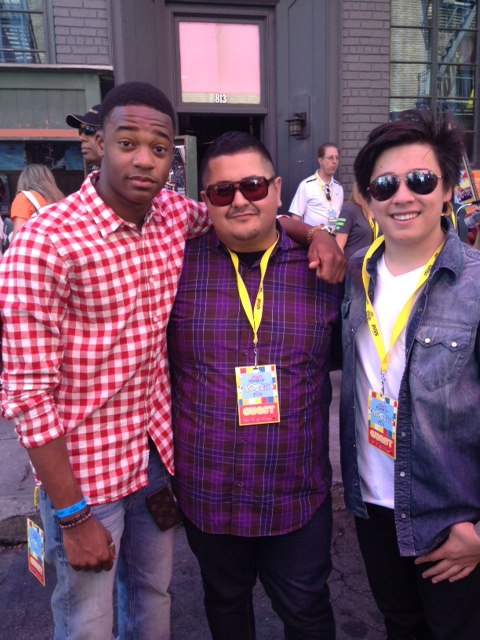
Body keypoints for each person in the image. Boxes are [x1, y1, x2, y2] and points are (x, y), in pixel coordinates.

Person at [0, 82, 345, 640]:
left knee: (152, 601)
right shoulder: (44, 242)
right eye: (126, 142)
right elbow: (25, 396)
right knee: (88, 620)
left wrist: (316, 234)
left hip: (156, 463)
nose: (143, 157)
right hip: (87, 478)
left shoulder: (171, 218)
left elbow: (251, 216)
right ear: (98, 144)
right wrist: (72, 516)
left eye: (158, 148)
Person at [168, 131, 341, 640]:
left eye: (252, 185)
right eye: (223, 191)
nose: (240, 199)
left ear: (277, 187)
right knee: (224, 604)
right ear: (206, 202)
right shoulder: (176, 266)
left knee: (308, 613)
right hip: (209, 494)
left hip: (297, 494)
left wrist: (315, 233)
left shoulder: (324, 268)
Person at [340, 108, 480, 640]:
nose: (403, 196)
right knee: (400, 626)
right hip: (373, 508)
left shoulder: (473, 284)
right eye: (385, 184)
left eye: (421, 180)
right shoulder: (354, 276)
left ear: (447, 190)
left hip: (453, 519)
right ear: (367, 198)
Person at [289, 142, 343, 230]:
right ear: (320, 160)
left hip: (334, 239)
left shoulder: (339, 188)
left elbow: (338, 215)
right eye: (330, 158)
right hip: (313, 239)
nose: (335, 161)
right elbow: (296, 218)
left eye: (337, 158)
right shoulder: (307, 185)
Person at [10, 164, 64, 239]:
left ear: (23, 180)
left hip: (36, 248)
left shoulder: (24, 198)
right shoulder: (59, 199)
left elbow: (18, 237)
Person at [335, 181, 375, 259]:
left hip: (371, 266)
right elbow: (339, 246)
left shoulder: (377, 210)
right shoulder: (349, 209)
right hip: (353, 267)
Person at [66, 103, 102, 169]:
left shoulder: (124, 176)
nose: (82, 138)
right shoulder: (95, 178)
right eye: (80, 130)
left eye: (89, 129)